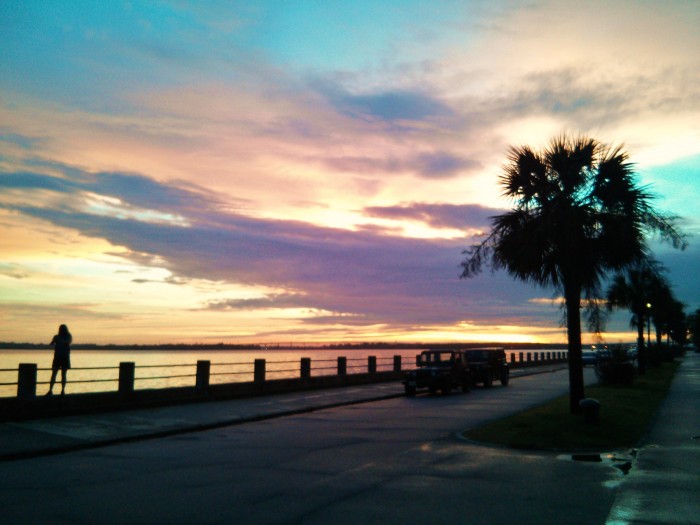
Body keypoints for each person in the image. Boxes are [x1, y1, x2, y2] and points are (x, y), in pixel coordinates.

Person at [47, 324, 72, 396]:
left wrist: (55, 342)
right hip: (62, 357)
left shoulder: (60, 337)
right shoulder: (66, 336)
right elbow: (52, 343)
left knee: (56, 374)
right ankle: (59, 391)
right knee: (60, 375)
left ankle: (56, 390)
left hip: (61, 357)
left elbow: (52, 344)